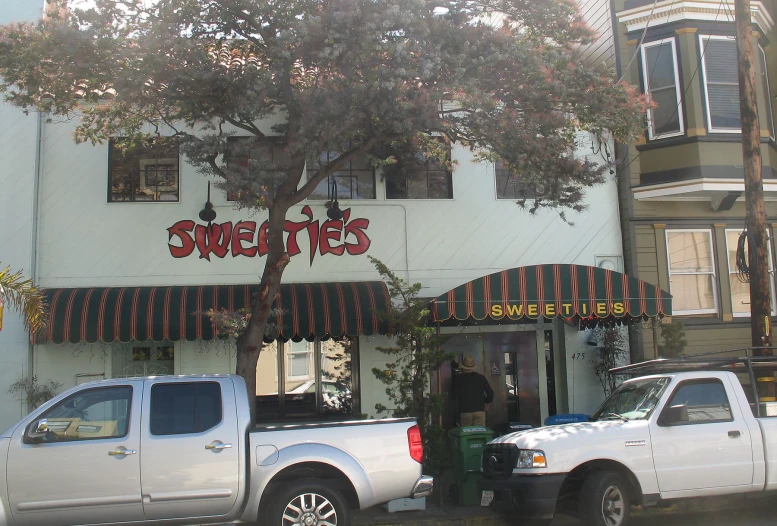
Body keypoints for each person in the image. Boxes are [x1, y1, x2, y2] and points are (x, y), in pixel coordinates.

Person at [454, 355, 494, 426]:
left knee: (467, 434)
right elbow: (490, 393)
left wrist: (456, 417)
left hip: (465, 412)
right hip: (479, 411)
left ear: (463, 367)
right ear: (473, 367)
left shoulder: (458, 379)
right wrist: (487, 401)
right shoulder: (481, 378)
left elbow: (456, 398)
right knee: (479, 434)